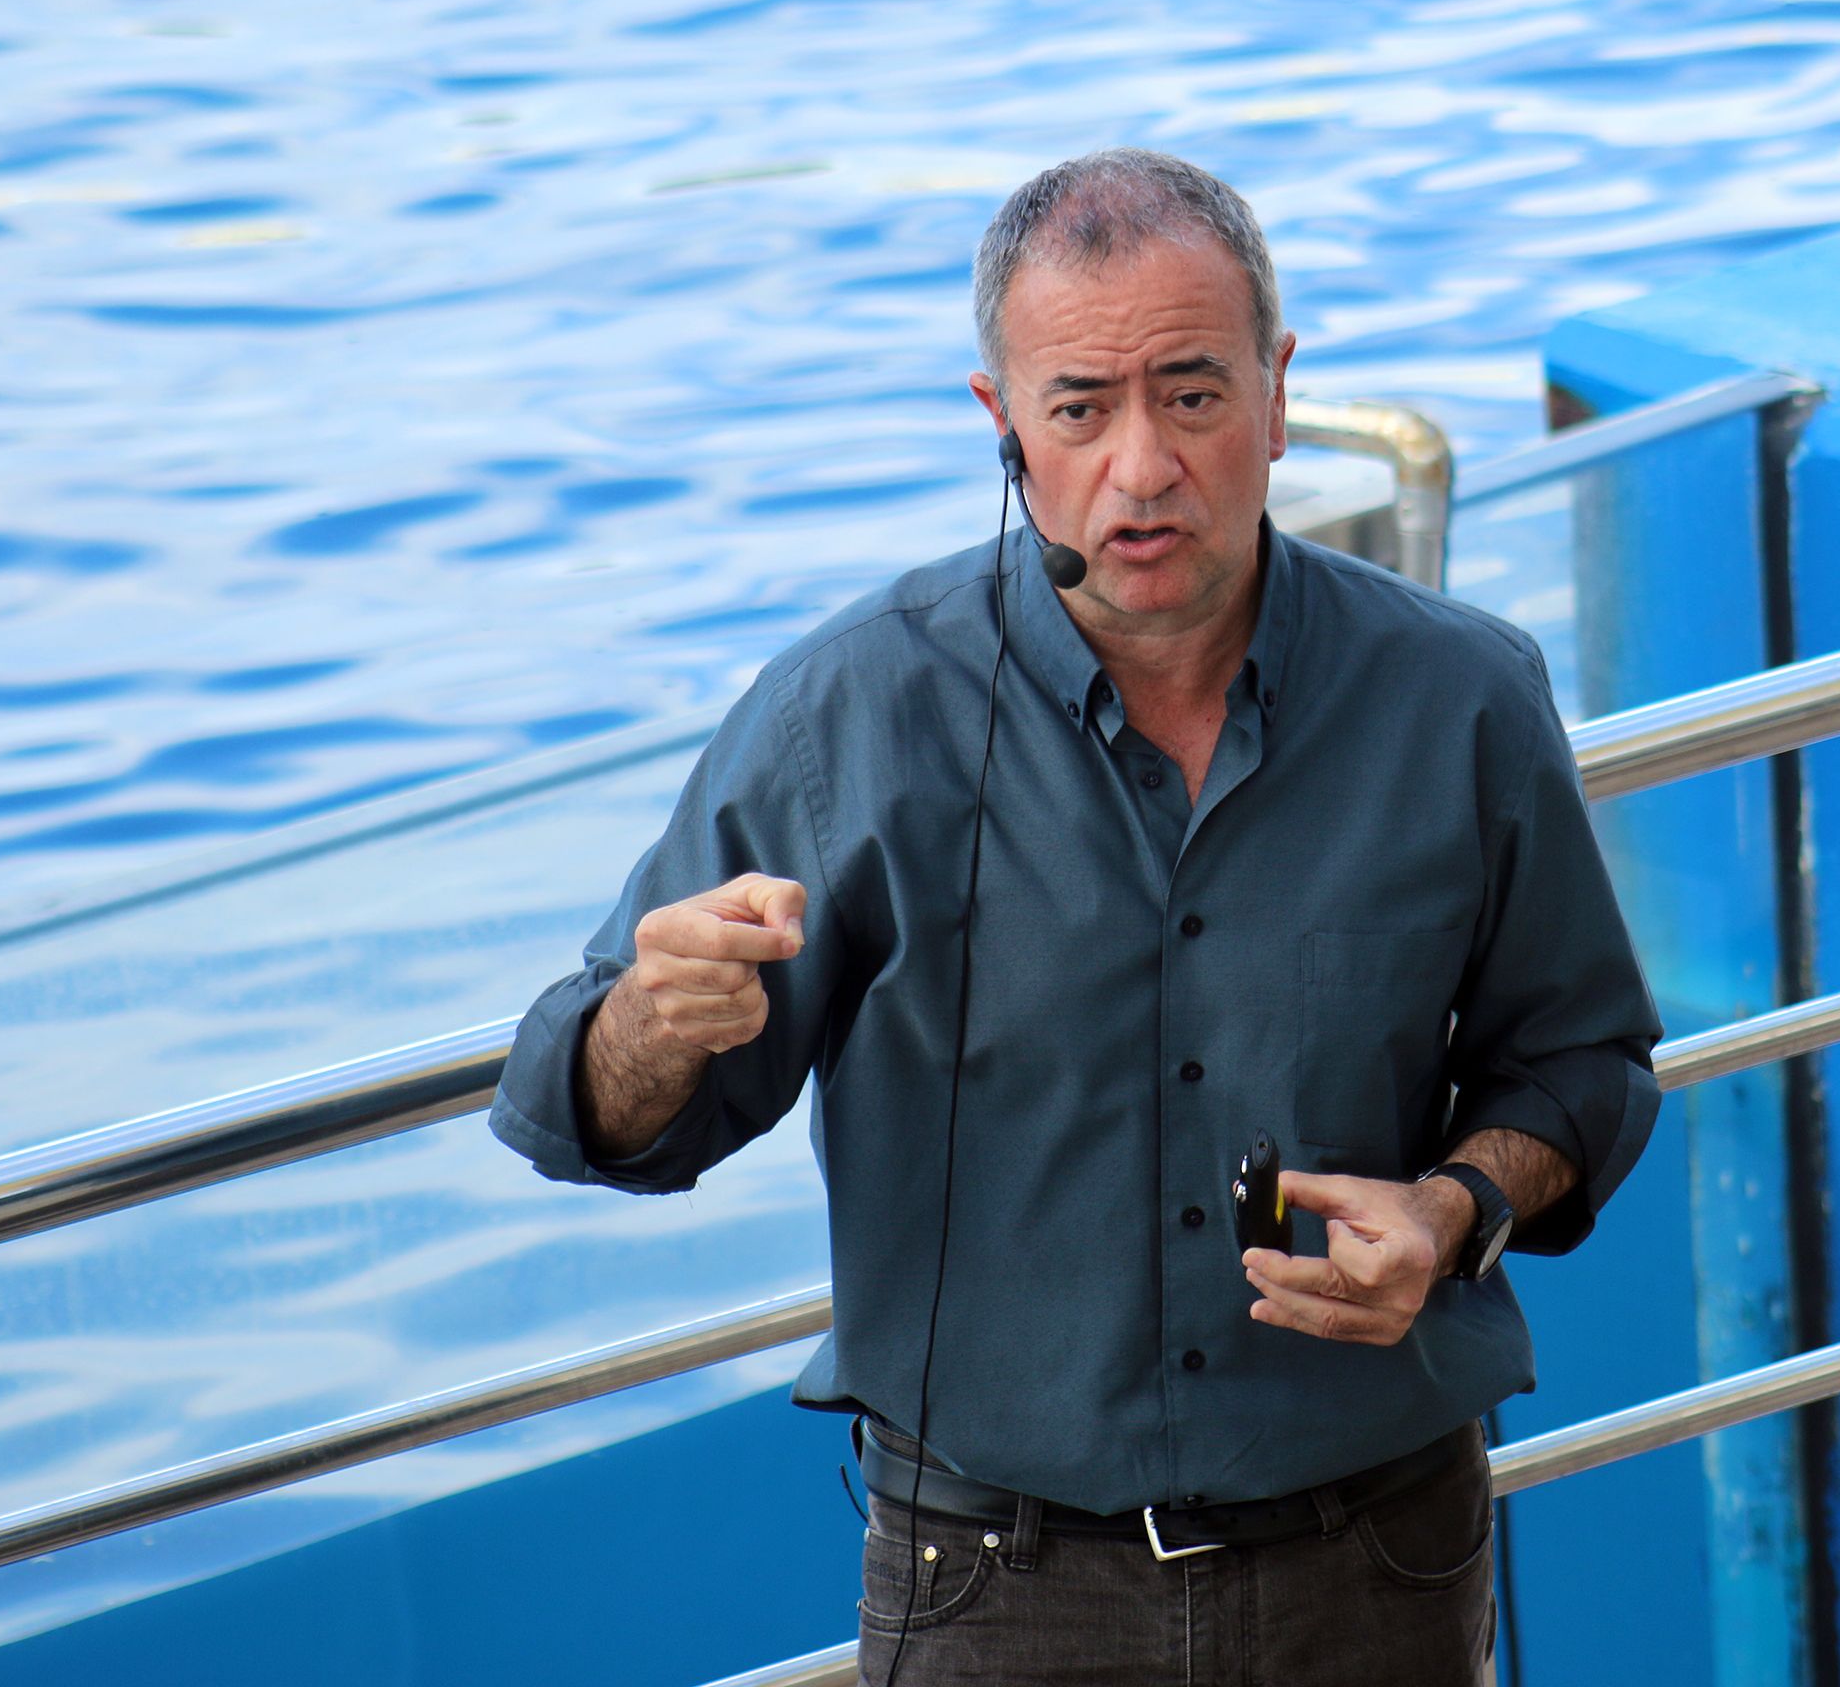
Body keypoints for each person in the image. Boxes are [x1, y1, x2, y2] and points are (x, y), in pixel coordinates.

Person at [489, 148, 1661, 1685]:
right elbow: (582, 1109)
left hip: (1375, 1562)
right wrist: (650, 1020)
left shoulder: (1463, 696)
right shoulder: (848, 716)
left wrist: (1449, 1218)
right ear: (1004, 431)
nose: (1143, 467)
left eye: (1191, 393)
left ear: (1278, 392)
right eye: (1079, 410)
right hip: (993, 1585)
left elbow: (1582, 1068)